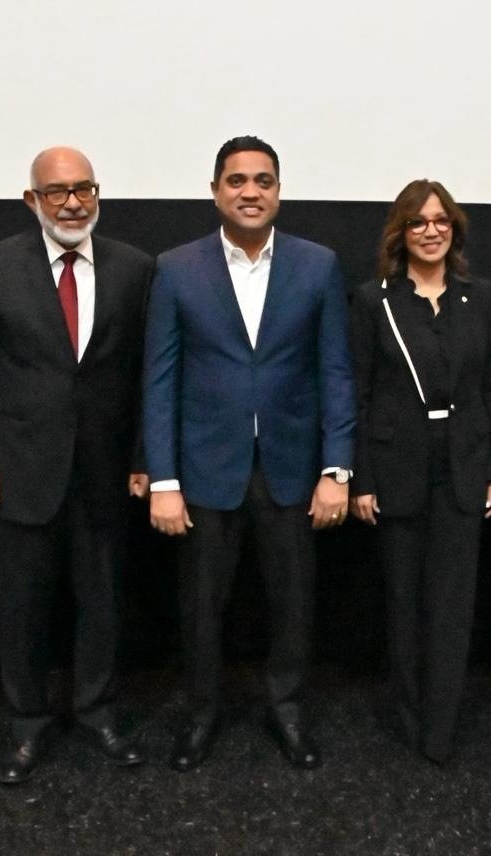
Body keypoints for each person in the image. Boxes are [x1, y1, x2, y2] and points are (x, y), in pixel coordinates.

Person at [143, 135, 355, 771]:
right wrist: (163, 479)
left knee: (293, 601)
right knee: (202, 604)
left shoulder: (318, 265)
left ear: (279, 192)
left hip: (293, 466)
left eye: (263, 180)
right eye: (236, 181)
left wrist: (336, 468)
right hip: (205, 467)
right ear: (215, 191)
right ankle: (201, 713)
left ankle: (286, 709)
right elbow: (160, 380)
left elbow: (336, 372)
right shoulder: (176, 268)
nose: (250, 191)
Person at [0, 147, 154, 784]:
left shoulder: (134, 268)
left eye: (84, 189)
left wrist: (144, 456)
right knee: (22, 607)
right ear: (31, 200)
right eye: (57, 192)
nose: (72, 203)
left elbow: (147, 375)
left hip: (105, 469)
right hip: (19, 469)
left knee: (103, 601)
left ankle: (97, 712)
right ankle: (27, 725)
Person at [349, 179, 491, 764]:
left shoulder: (480, 296)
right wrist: (361, 478)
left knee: (452, 607)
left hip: (463, 472)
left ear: (455, 229)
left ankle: (441, 728)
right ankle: (411, 719)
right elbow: (360, 393)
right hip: (396, 473)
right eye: (418, 222)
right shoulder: (373, 301)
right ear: (401, 232)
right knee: (404, 605)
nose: (431, 231)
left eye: (441, 220)